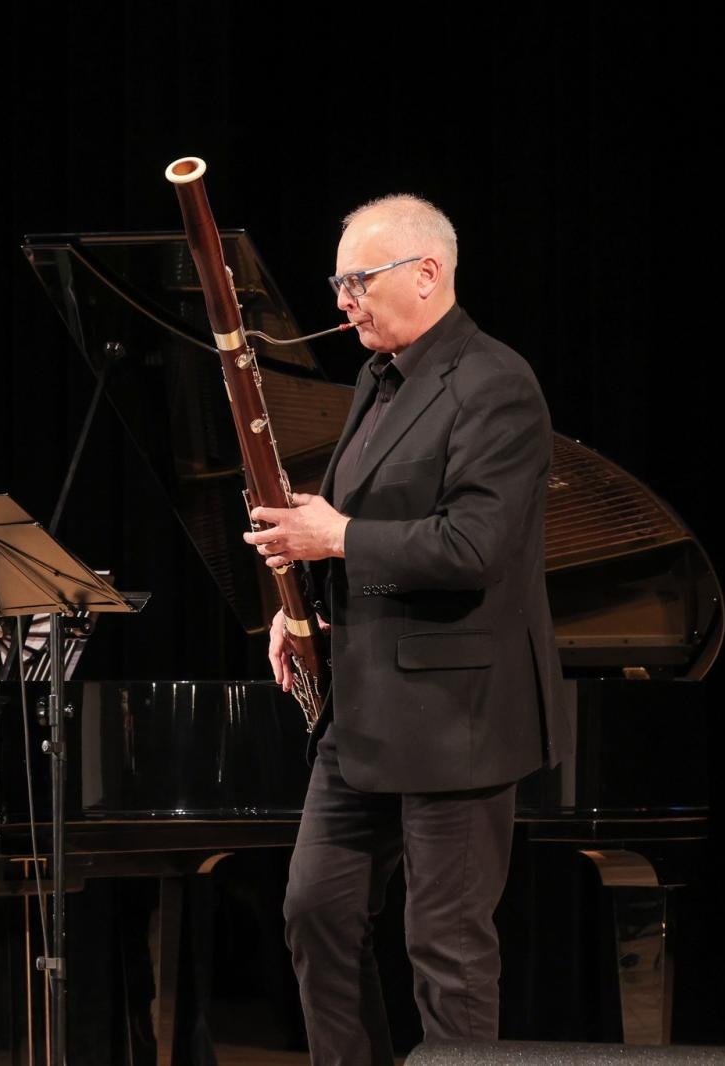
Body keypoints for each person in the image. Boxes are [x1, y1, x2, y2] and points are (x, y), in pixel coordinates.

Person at [243, 195, 573, 1065]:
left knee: (447, 951)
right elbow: (359, 522)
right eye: (338, 280)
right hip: (361, 706)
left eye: (359, 280)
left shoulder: (497, 383)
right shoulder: (375, 380)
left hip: (457, 714)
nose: (343, 299)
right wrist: (298, 608)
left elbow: (474, 545)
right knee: (315, 913)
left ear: (427, 274)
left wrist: (338, 537)